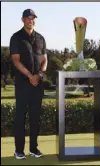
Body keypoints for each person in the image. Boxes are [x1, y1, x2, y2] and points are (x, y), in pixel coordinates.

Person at [9, 9, 48, 159]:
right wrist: (30, 76)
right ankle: (19, 150)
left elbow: (45, 60)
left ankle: (33, 149)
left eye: (33, 18)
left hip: (38, 84)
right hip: (22, 84)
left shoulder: (41, 38)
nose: (31, 20)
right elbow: (16, 60)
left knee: (35, 117)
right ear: (23, 19)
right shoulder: (16, 37)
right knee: (20, 118)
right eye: (28, 18)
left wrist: (39, 75)